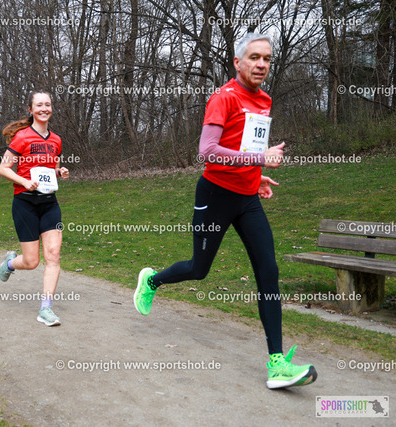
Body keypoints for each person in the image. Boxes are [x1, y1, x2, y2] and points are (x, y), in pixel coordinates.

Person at [133, 33, 317, 390]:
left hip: (247, 199)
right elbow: (207, 150)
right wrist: (260, 158)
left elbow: (243, 146)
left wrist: (256, 175)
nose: (261, 64)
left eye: (266, 58)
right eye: (254, 57)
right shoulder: (223, 98)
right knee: (199, 269)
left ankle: (277, 363)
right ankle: (152, 280)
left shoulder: (264, 100)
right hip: (215, 196)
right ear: (237, 62)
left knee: (269, 271)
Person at [0, 91, 70, 326]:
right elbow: (3, 168)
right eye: (39, 105)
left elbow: (52, 168)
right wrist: (24, 181)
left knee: (53, 255)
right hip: (25, 203)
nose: (44, 108)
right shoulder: (22, 137)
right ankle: (10, 263)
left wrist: (60, 171)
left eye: (47, 104)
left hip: (49, 203)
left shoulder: (56, 140)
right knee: (31, 262)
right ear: (31, 109)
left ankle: (45, 309)